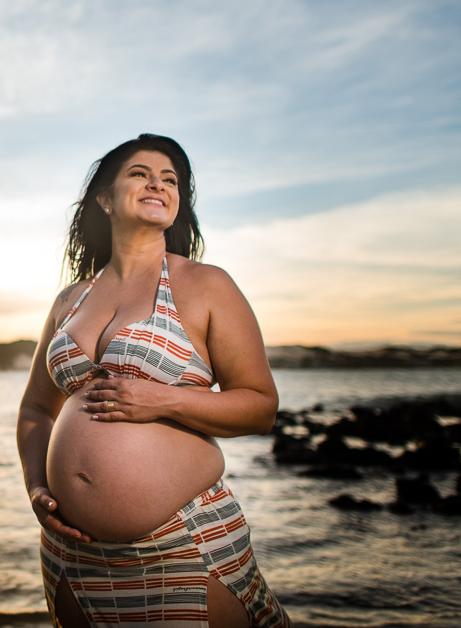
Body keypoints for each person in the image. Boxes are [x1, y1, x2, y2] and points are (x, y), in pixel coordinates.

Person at [16, 134, 291, 628]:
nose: (158, 184)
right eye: (140, 173)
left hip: (180, 543)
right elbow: (37, 408)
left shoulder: (206, 284)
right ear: (104, 198)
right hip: (71, 553)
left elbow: (260, 406)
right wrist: (37, 488)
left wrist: (162, 399)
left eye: (171, 180)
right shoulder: (69, 301)